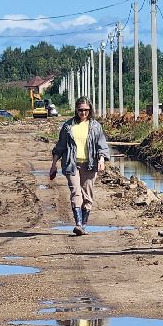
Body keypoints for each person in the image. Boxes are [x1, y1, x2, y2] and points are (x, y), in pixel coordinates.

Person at [49, 96, 111, 235]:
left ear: (90, 110)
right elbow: (60, 146)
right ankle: (78, 224)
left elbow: (101, 145)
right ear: (76, 110)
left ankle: (83, 225)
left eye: (86, 110)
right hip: (72, 164)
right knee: (75, 192)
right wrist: (53, 165)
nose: (83, 113)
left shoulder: (95, 126)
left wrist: (101, 159)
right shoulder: (68, 126)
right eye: (80, 110)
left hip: (90, 165)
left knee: (87, 195)